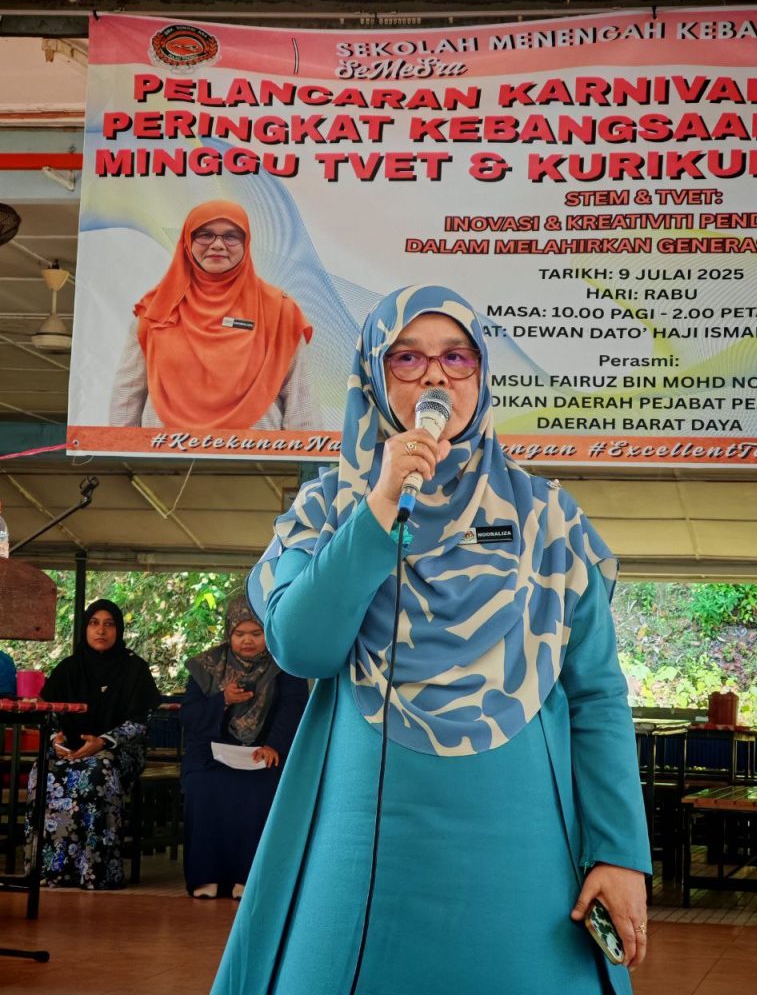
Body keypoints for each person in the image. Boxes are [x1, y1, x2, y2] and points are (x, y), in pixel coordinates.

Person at [212, 284, 651, 995]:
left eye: (457, 357)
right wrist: (379, 503)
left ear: (482, 376)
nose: (436, 378)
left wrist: (619, 851)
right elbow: (302, 646)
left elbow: (597, 695)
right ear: (373, 378)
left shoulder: (550, 520)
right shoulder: (325, 508)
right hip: (359, 840)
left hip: (524, 844)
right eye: (408, 359)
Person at [109, 199, 315, 431]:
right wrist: (121, 447)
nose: (217, 245)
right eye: (205, 235)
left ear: (246, 243)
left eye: (231, 236)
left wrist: (305, 453)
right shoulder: (155, 310)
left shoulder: (279, 311)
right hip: (166, 451)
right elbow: (127, 395)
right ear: (188, 240)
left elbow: (300, 402)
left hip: (254, 451)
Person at [25, 599, 161, 889]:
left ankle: (96, 871)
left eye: (109, 624)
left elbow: (140, 722)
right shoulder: (69, 668)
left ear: (119, 630)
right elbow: (49, 713)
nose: (101, 631)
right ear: (84, 629)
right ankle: (51, 869)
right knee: (43, 770)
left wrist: (103, 742)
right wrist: (56, 739)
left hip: (119, 751)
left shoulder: (134, 669)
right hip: (70, 750)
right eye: (94, 624)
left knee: (98, 771)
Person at [180, 594, 308, 900]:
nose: (247, 641)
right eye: (239, 633)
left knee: (260, 788)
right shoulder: (207, 665)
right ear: (229, 632)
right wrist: (222, 700)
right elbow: (189, 716)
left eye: (256, 633)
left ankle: (246, 878)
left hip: (262, 752)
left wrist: (274, 745)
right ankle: (206, 877)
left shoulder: (284, 666)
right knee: (202, 786)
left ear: (268, 633)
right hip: (212, 752)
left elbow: (293, 708)